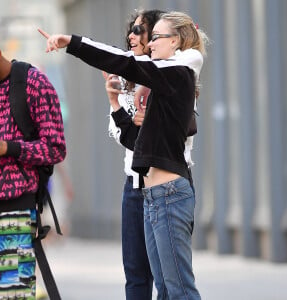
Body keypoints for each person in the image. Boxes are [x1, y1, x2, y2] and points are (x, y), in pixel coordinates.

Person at [38, 10, 206, 299]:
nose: (148, 43)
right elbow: (133, 140)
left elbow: (128, 61)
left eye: (154, 36)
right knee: (160, 287)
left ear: (176, 41)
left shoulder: (179, 70)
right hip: (150, 194)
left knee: (179, 290)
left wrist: (72, 42)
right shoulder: (157, 83)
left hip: (169, 193)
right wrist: (117, 103)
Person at [103, 9, 164, 300]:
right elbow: (120, 136)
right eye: (132, 29)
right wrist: (115, 101)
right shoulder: (126, 82)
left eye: (139, 30)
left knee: (167, 275)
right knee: (136, 274)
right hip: (134, 185)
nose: (131, 35)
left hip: (165, 186)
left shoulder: (172, 75)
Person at [0, 50, 66, 298]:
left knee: (14, 294)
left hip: (14, 208)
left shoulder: (34, 84)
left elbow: (56, 148)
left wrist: (9, 147)